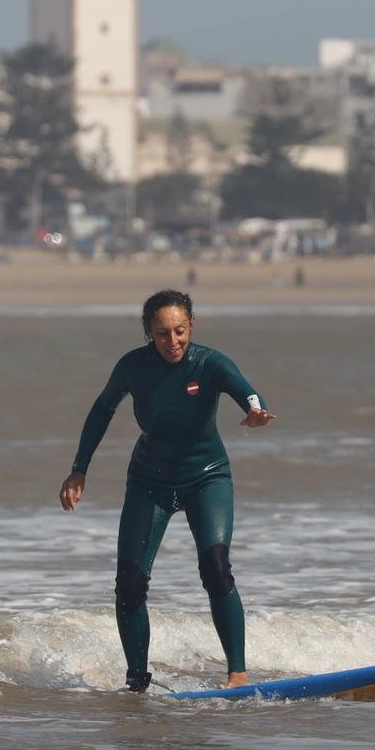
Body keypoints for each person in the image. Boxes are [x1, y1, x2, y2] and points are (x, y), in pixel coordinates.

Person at [60, 289, 275, 692]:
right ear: (148, 333)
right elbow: (102, 409)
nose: (172, 342)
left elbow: (246, 391)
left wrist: (255, 409)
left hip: (207, 477)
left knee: (216, 568)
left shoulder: (210, 363)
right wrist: (79, 470)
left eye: (179, 331)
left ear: (191, 325)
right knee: (130, 582)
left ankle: (237, 675)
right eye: (162, 334)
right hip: (149, 482)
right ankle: (137, 683)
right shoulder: (133, 367)